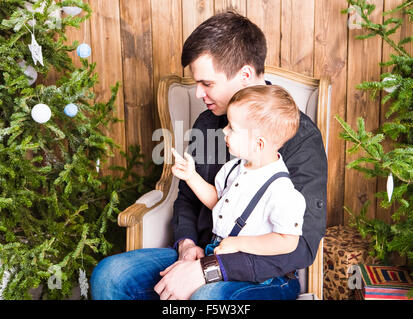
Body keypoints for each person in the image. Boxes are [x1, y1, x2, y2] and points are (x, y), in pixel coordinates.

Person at [90, 11, 327, 300]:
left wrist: (209, 270)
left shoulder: (300, 138)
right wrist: (187, 246)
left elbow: (301, 245)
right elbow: (188, 199)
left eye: (207, 83)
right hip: (202, 253)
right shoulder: (207, 124)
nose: (199, 93)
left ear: (245, 75)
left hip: (260, 273)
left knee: (208, 297)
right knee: (110, 276)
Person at [171, 85, 306, 260]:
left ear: (258, 144)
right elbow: (219, 203)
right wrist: (191, 176)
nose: (223, 131)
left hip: (249, 267)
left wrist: (239, 243)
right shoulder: (233, 168)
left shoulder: (281, 190)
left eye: (232, 128)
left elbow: (287, 241)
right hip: (217, 252)